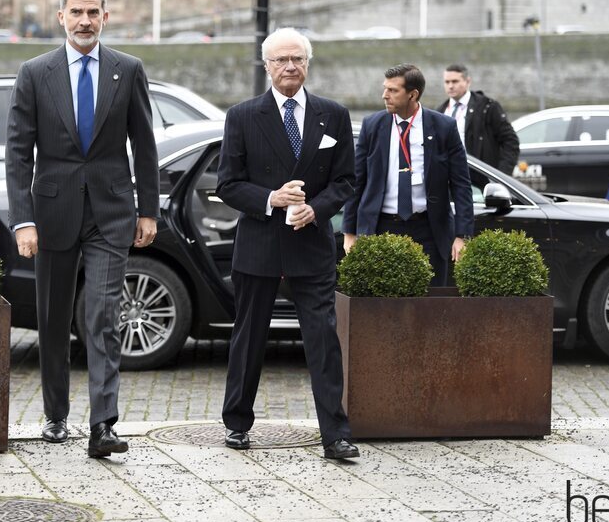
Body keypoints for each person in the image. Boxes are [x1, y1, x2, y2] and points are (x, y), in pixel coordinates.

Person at [5, 0, 159, 456]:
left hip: (111, 215)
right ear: (61, 17)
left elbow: (145, 145)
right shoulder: (35, 72)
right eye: (77, 12)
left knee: (103, 316)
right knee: (52, 319)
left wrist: (148, 210)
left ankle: (103, 425)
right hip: (52, 214)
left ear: (105, 17)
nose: (85, 21)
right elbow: (17, 153)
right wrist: (23, 220)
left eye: (93, 12)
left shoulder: (127, 69)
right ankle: (55, 415)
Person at [216, 27, 359, 460]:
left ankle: (335, 433)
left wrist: (314, 208)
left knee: (323, 338)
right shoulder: (242, 116)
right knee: (249, 335)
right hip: (260, 241)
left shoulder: (332, 115)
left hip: (311, 243)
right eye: (281, 60)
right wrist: (271, 200)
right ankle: (237, 422)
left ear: (308, 64)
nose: (290, 67)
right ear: (267, 66)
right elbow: (227, 184)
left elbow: (346, 180)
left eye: (297, 59)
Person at [343, 64, 473, 286]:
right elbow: (357, 181)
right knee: (382, 304)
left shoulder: (443, 127)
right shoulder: (372, 125)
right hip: (381, 229)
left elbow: (461, 185)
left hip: (429, 230)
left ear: (413, 94)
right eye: (385, 89)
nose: (385, 95)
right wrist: (349, 232)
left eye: (393, 90)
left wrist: (461, 236)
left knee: (429, 305)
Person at [438, 64, 519, 174]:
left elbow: (510, 141)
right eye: (447, 82)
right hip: (451, 177)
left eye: (455, 81)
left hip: (481, 177)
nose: (450, 86)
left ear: (468, 81)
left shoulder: (487, 107)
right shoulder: (440, 112)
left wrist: (501, 175)